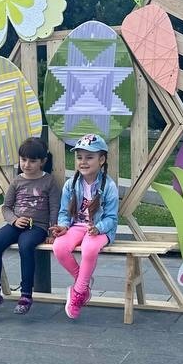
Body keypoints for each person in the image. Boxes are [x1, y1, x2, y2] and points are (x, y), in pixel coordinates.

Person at [0, 137, 62, 315]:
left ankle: (26, 293)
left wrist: (52, 229)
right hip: (16, 224)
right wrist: (14, 220)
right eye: (23, 160)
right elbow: (6, 207)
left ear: (43, 161)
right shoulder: (17, 181)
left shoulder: (49, 181)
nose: (26, 164)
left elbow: (54, 207)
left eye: (32, 161)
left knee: (26, 246)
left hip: (38, 227)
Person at [51, 134, 119, 321]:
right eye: (80, 157)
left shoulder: (108, 186)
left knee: (89, 248)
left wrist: (98, 228)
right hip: (77, 226)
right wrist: (63, 226)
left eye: (89, 157)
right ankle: (84, 283)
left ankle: (79, 291)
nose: (83, 162)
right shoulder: (71, 185)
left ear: (102, 159)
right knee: (59, 247)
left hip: (100, 229)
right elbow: (64, 212)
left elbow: (112, 218)